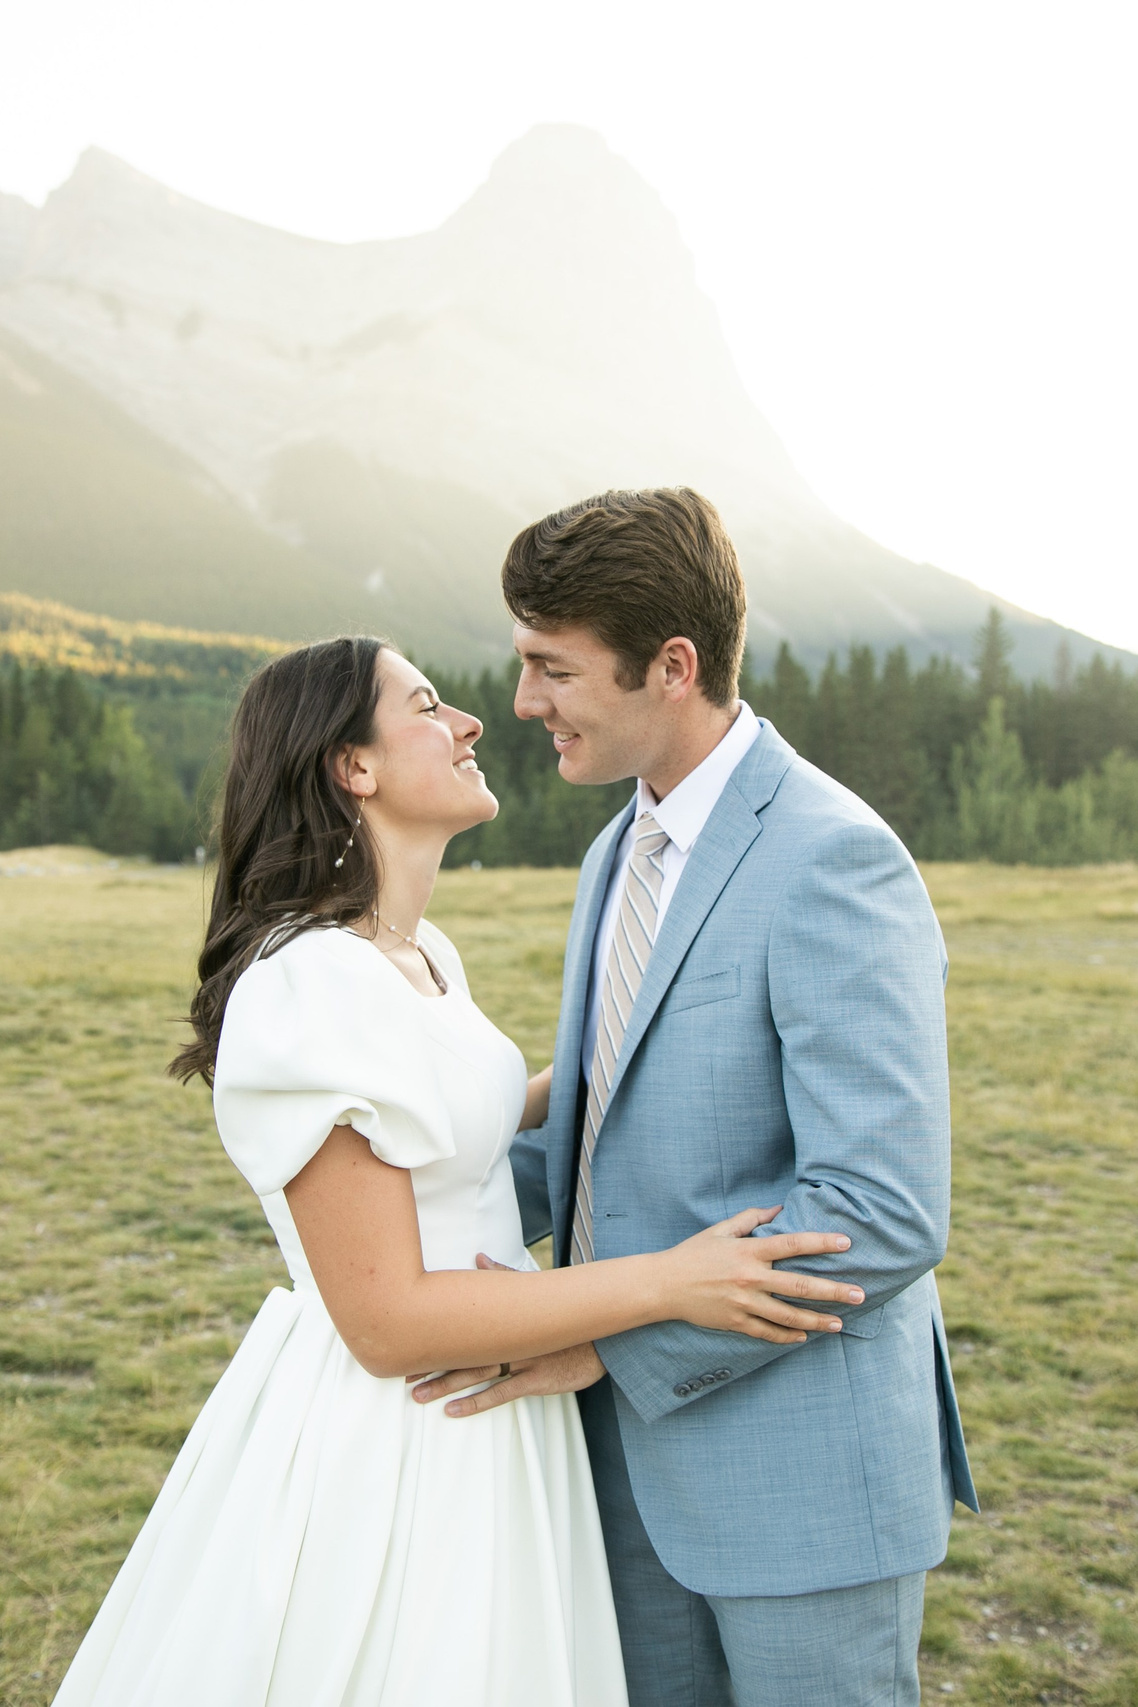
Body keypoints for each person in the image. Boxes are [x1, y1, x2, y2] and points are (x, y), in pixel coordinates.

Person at [51, 635, 859, 1707]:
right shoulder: (309, 985)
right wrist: (669, 1283)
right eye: (428, 705)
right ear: (354, 768)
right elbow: (388, 1323)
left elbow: (456, 1127)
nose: (473, 720)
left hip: (500, 1407)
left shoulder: (422, 955)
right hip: (404, 1434)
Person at [410, 488, 979, 1707]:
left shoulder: (832, 857)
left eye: (550, 668)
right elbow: (605, 1137)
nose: (520, 704)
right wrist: (385, 1206)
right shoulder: (618, 848)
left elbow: (876, 1207)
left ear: (670, 666)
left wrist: (604, 1340)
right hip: (620, 1482)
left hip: (802, 1484)